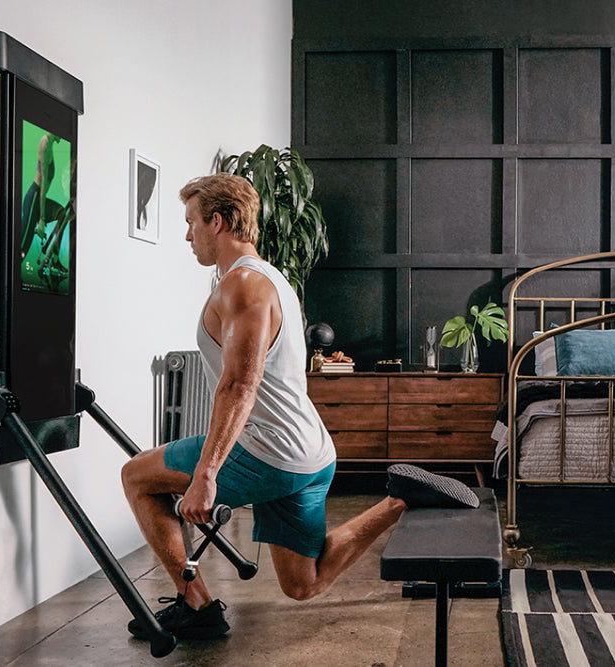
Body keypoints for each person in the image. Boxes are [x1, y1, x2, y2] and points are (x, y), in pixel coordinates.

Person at [120, 172, 478, 641]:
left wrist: (206, 476)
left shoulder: (242, 287)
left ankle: (196, 606)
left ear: (220, 221)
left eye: (191, 223)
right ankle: (400, 500)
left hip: (265, 454)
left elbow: (237, 386)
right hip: (309, 454)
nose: (187, 236)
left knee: (137, 476)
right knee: (302, 584)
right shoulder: (273, 279)